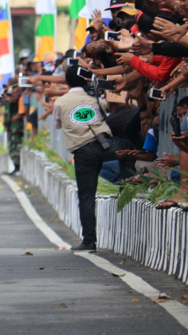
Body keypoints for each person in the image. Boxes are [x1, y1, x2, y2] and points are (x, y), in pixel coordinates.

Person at [53, 65, 117, 251]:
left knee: (87, 196)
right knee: (125, 168)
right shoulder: (96, 100)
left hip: (82, 152)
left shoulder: (60, 103)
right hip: (106, 147)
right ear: (86, 80)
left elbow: (58, 125)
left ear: (66, 81)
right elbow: (108, 113)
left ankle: (89, 240)